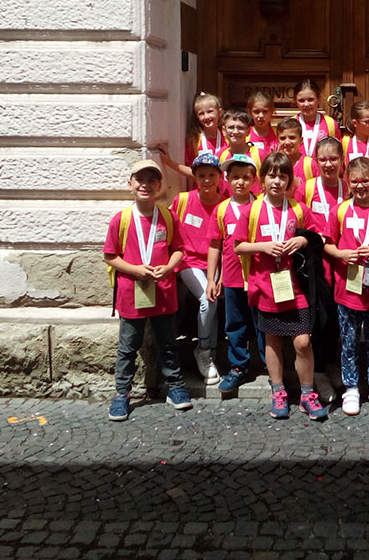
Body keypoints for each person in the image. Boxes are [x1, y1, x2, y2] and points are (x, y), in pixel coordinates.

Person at [233, 152, 328, 421]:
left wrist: (303, 241)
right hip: (266, 285)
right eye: (272, 175)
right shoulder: (251, 211)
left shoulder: (298, 209)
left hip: (296, 287)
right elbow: (238, 246)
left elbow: (318, 236)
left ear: (290, 181)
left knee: (303, 341)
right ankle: (278, 391)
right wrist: (263, 246)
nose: (277, 181)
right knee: (272, 340)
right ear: (262, 179)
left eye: (282, 176)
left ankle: (307, 394)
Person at [103, 160, 191, 421]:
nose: (145, 185)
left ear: (160, 185)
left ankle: (175, 387)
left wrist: (170, 267)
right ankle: (122, 393)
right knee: (128, 347)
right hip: (132, 293)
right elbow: (110, 256)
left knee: (168, 343)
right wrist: (134, 270)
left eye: (152, 180)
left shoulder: (167, 216)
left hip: (163, 292)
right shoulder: (121, 219)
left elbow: (179, 249)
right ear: (130, 184)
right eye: (140, 180)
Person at [323, 157, 369, 416]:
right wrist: (341, 254)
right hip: (347, 289)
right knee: (349, 341)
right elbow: (327, 244)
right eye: (354, 181)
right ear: (347, 182)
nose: (360, 186)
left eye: (365, 181)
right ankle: (351, 388)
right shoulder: (340, 211)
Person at [297, 136, 349, 402]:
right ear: (315, 161)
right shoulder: (307, 188)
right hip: (314, 263)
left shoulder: (348, 186)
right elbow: (296, 220)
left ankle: (331, 365)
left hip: (341, 261)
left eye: (333, 159)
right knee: (319, 319)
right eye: (323, 159)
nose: (328, 164)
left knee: (336, 318)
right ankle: (317, 373)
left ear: (342, 160)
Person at [206, 153, 263, 394]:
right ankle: (238, 366)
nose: (240, 182)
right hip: (232, 278)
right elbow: (215, 245)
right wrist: (212, 278)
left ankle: (270, 365)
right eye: (235, 177)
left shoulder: (261, 206)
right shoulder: (222, 210)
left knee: (262, 324)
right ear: (227, 179)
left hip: (259, 277)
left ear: (254, 180)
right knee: (235, 324)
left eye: (246, 177)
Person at [170, 153, 223, 386]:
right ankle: (203, 350)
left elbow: (224, 244)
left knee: (215, 301)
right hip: (188, 262)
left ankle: (212, 352)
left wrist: (220, 276)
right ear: (194, 177)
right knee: (208, 300)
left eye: (212, 175)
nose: (207, 180)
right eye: (201, 175)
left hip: (215, 263)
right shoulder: (183, 200)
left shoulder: (224, 205)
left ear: (220, 177)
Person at [159, 92, 224, 182]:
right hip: (204, 188)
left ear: (220, 112)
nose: (206, 116)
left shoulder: (227, 137)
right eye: (201, 113)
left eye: (210, 111)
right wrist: (169, 162)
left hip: (226, 190)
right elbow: (192, 171)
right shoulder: (194, 141)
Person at [218, 109, 262, 195]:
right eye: (231, 127)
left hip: (255, 202)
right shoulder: (221, 155)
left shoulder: (259, 154)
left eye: (240, 128)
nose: (235, 132)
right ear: (223, 130)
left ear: (248, 131)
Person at [293, 79, 339, 157]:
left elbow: (337, 152)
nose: (306, 104)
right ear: (295, 102)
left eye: (310, 100)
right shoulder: (291, 124)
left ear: (319, 99)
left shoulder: (330, 124)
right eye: (301, 100)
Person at [277, 117, 319, 185]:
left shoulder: (310, 164)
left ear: (301, 140)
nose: (287, 142)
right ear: (277, 140)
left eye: (292, 138)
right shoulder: (274, 164)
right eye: (282, 138)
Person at [247, 90, 279, 157]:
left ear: (272, 111)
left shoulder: (278, 134)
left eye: (265, 111)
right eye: (256, 112)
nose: (261, 116)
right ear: (249, 112)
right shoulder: (245, 135)